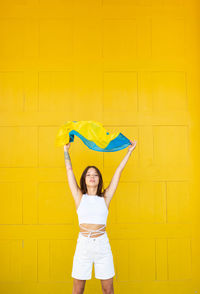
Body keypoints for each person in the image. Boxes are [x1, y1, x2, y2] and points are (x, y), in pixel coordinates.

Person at [64, 139, 137, 294]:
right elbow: (70, 171)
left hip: (102, 245)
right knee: (77, 290)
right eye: (89, 174)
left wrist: (129, 152)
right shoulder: (79, 197)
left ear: (99, 179)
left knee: (108, 290)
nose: (92, 177)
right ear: (84, 178)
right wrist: (66, 151)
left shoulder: (105, 197)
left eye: (95, 174)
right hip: (83, 245)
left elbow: (118, 172)